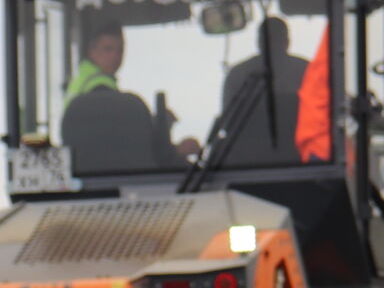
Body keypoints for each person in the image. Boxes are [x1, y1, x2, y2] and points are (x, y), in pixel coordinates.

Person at [59, 25, 199, 176]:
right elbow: (121, 136)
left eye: (120, 50)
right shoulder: (98, 84)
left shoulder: (82, 78)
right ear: (92, 52)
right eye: (108, 49)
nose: (115, 56)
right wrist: (167, 144)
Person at [216, 16, 307, 165]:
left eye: (276, 39)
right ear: (288, 41)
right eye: (272, 40)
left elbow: (228, 123)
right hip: (302, 164)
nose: (274, 45)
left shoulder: (238, 74)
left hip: (246, 167)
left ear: (258, 43)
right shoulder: (307, 71)